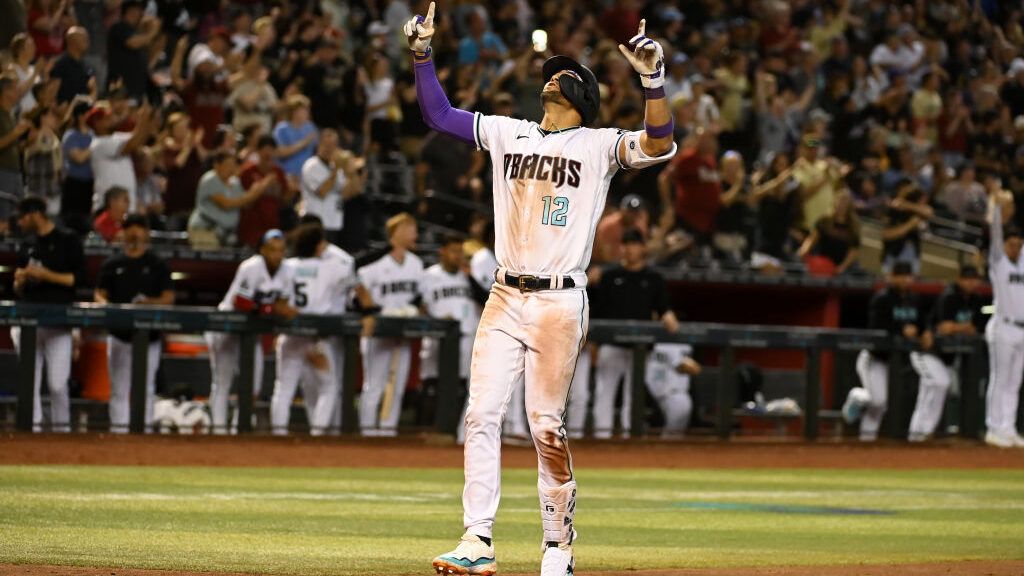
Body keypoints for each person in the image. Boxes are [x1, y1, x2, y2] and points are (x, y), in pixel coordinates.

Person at [406, 6, 676, 574]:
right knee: (479, 414)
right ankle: (477, 541)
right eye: (551, 72)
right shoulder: (511, 132)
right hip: (505, 294)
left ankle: (558, 548)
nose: (551, 77)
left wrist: (653, 79)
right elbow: (438, 114)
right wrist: (423, 55)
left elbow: (656, 143)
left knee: (544, 426)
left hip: (558, 300)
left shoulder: (599, 144)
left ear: (582, 95)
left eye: (563, 74)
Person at [588, 229, 680, 439]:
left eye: (634, 244)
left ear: (643, 247)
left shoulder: (653, 278)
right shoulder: (610, 275)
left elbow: (663, 307)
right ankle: (602, 436)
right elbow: (597, 310)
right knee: (605, 392)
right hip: (611, 345)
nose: (630, 249)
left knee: (634, 395)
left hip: (640, 349)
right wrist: (594, 343)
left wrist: (668, 315)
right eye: (626, 244)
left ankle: (631, 437)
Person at [205, 229, 297, 434]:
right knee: (222, 382)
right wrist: (272, 309)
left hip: (250, 330)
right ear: (263, 249)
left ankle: (240, 429)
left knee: (254, 385)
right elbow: (241, 301)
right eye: (272, 250)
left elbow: (282, 303)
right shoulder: (251, 267)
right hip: (227, 326)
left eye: (280, 250)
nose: (276, 255)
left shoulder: (288, 270)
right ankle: (219, 432)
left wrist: (280, 309)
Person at [271, 224, 356, 436]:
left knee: (283, 388)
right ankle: (317, 434)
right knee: (329, 388)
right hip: (316, 336)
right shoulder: (328, 267)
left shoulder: (286, 266)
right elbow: (353, 281)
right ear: (317, 246)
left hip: (290, 335)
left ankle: (278, 434)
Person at [94, 214, 174, 433]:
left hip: (149, 338)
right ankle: (119, 433)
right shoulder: (113, 263)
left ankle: (144, 432)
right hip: (119, 335)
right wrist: (108, 306)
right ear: (124, 231)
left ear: (147, 232)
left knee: (146, 388)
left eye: (140, 227)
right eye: (130, 227)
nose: (135, 232)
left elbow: (168, 297)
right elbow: (99, 294)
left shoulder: (157, 263)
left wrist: (149, 302)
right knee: (119, 388)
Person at [11, 196, 84, 432]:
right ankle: (31, 429)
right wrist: (20, 280)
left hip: (59, 321)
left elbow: (75, 280)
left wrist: (44, 274)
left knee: (57, 383)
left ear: (35, 214)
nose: (20, 223)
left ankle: (62, 432)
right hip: (29, 319)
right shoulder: (27, 243)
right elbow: (16, 289)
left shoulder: (68, 239)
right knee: (28, 382)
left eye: (23, 217)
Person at [357, 212, 424, 437]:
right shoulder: (375, 261)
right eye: (410, 228)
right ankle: (367, 431)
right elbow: (359, 288)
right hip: (379, 331)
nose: (414, 233)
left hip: (402, 331)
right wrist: (373, 312)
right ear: (398, 231)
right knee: (374, 384)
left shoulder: (415, 263)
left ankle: (388, 432)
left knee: (396, 386)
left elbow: (419, 297)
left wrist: (412, 309)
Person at [845, 261, 922, 442]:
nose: (904, 279)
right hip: (874, 357)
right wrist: (901, 329)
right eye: (900, 275)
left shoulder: (913, 299)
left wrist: (921, 331)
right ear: (891, 276)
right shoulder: (882, 299)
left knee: (882, 404)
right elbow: (876, 327)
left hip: (895, 361)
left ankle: (867, 439)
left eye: (907, 275)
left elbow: (920, 323)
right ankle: (857, 395)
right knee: (878, 401)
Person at [419, 234, 486, 443]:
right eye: (454, 251)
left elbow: (485, 299)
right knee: (433, 385)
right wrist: (433, 319)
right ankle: (432, 430)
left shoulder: (467, 276)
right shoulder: (428, 276)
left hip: (467, 338)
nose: (458, 256)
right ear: (442, 252)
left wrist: (469, 276)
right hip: (436, 339)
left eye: (461, 252)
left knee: (466, 386)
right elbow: (419, 305)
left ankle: (459, 433)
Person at [907, 265, 984, 442]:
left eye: (974, 279)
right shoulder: (949, 296)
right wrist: (964, 328)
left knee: (930, 389)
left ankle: (917, 433)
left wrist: (958, 328)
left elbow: (976, 327)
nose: (971, 282)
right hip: (925, 352)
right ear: (959, 278)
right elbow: (945, 327)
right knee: (941, 383)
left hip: (945, 358)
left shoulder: (977, 299)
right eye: (967, 278)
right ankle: (923, 432)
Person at [982, 192, 1024, 448]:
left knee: (1015, 380)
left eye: (1019, 244)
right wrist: (996, 210)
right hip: (1002, 325)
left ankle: (1008, 427)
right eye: (1012, 243)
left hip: (1022, 329)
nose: (1015, 248)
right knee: (1000, 377)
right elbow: (995, 236)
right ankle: (993, 427)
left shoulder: (1022, 263)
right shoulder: (999, 262)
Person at [188, 151, 274, 248]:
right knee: (208, 261)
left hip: (226, 233)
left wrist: (257, 190)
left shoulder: (235, 182)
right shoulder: (209, 179)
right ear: (217, 165)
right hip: (205, 230)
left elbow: (246, 204)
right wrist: (254, 192)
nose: (231, 168)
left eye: (233, 165)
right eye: (227, 165)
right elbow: (226, 204)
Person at [299, 129, 365, 246]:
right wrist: (336, 169)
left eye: (333, 145)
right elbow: (322, 192)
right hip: (315, 225)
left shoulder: (335, 167)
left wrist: (352, 173)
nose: (330, 148)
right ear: (319, 145)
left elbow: (347, 194)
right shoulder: (311, 165)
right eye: (327, 144)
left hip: (334, 223)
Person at [87, 102, 156, 213]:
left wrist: (149, 114)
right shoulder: (98, 144)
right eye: (105, 118)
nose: (110, 119)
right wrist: (143, 117)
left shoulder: (116, 137)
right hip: (107, 208)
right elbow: (133, 143)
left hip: (126, 206)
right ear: (96, 123)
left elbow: (140, 138)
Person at [238, 135, 292, 248]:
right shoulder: (247, 172)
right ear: (258, 151)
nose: (268, 153)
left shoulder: (279, 172)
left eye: (271, 150)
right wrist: (264, 184)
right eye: (265, 149)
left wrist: (291, 191)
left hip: (272, 225)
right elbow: (244, 202)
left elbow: (285, 200)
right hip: (251, 227)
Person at [798, 190, 861, 275]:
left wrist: (842, 267)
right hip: (822, 262)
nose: (840, 206)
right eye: (839, 203)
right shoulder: (825, 221)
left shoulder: (853, 227)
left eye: (843, 204)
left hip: (841, 266)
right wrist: (804, 250)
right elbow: (812, 239)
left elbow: (853, 250)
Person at [645, 342, 701, 438]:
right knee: (674, 434)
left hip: (662, 391)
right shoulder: (670, 344)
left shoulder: (658, 344)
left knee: (674, 433)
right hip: (673, 393)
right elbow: (682, 366)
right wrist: (697, 368)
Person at [0, 74, 31, 233]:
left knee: (16, 216)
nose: (19, 92)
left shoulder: (9, 115)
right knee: (3, 218)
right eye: (14, 88)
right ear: (5, 91)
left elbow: (11, 145)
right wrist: (16, 133)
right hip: (3, 172)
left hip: (15, 172)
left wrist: (26, 143)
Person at [60, 99, 94, 234]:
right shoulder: (71, 135)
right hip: (73, 185)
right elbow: (79, 158)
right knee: (71, 223)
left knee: (85, 224)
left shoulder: (93, 134)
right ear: (81, 116)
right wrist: (96, 145)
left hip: (89, 185)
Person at [273, 95, 317, 180]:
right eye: (302, 109)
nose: (305, 112)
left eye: (306, 109)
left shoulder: (310, 127)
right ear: (293, 111)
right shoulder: (282, 128)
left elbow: (317, 150)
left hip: (306, 175)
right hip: (287, 174)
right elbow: (279, 153)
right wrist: (303, 143)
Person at [49, 27, 95, 104]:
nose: (88, 42)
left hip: (85, 113)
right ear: (72, 41)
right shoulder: (60, 65)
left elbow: (93, 89)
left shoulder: (87, 66)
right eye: (84, 39)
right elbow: (52, 93)